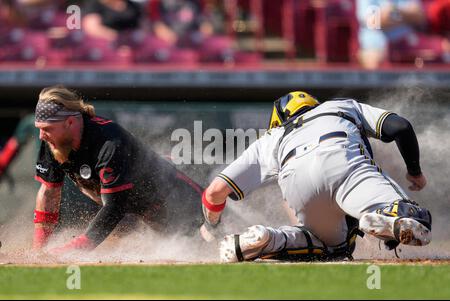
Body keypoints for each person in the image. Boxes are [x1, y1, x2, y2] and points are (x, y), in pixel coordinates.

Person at [201, 91, 432, 262]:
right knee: (417, 220)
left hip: (298, 184)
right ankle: (387, 217)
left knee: (331, 248)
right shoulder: (342, 106)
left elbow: (214, 192)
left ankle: (269, 239)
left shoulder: (272, 137)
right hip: (345, 164)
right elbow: (401, 127)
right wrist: (415, 172)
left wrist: (212, 226)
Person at [32, 85, 207, 254]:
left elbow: (114, 207)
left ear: (70, 122)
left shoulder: (109, 141)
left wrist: (72, 249)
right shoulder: (53, 141)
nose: (41, 135)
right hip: (147, 216)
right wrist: (38, 250)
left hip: (184, 205)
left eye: (46, 129)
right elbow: (49, 192)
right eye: (39, 129)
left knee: (217, 249)